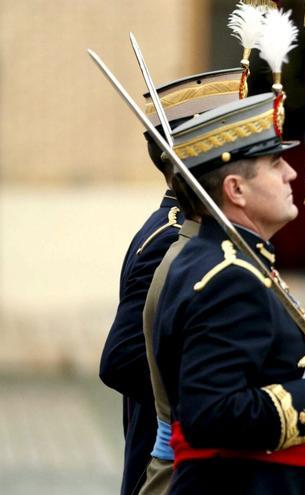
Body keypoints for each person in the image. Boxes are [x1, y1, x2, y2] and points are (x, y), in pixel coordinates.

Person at [152, 92, 305, 494]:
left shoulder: (229, 260)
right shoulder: (230, 275)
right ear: (236, 190)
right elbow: (211, 413)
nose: (290, 174)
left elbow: (253, 360)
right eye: (275, 164)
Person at [99, 67, 249, 495]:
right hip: (168, 467)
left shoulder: (194, 228)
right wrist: (212, 395)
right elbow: (121, 359)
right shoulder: (172, 235)